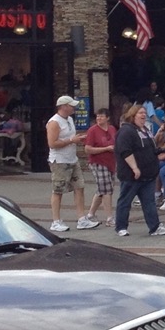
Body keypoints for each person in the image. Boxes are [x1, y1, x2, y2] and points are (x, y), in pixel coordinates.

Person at [114, 104, 165, 237]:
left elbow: (150, 148)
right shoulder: (126, 131)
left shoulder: (145, 130)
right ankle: (121, 227)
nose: (144, 115)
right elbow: (125, 151)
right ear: (133, 115)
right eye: (140, 113)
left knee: (149, 202)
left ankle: (155, 227)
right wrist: (134, 168)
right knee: (125, 201)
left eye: (144, 113)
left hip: (148, 174)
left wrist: (162, 150)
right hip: (131, 175)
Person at [46, 94, 88, 233]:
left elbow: (71, 137)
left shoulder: (69, 119)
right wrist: (71, 141)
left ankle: (82, 219)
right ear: (63, 107)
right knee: (58, 190)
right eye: (71, 105)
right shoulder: (54, 122)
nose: (74, 108)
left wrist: (78, 139)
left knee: (79, 187)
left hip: (72, 159)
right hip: (59, 161)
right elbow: (52, 143)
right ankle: (56, 221)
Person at [81, 108, 118, 228]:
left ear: (107, 118)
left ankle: (91, 214)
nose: (99, 118)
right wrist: (105, 149)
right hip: (98, 162)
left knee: (102, 189)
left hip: (110, 162)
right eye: (97, 116)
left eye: (101, 116)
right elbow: (88, 149)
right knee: (107, 190)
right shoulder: (93, 131)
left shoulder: (112, 129)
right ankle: (109, 218)